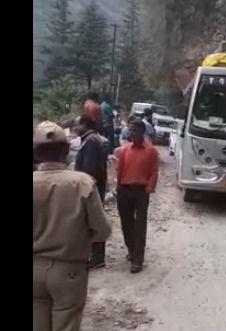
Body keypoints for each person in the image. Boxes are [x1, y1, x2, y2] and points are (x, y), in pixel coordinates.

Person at [33, 121, 111, 331]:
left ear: (36, 153)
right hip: (70, 272)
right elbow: (103, 231)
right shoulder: (82, 183)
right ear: (67, 150)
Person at [116, 119, 159, 273]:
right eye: (130, 130)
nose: (131, 133)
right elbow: (119, 170)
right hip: (125, 190)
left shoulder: (151, 151)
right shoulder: (125, 150)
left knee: (140, 226)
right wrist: (118, 188)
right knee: (126, 224)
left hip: (141, 192)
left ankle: (137, 260)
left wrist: (149, 189)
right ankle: (132, 250)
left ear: (142, 131)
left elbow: (154, 171)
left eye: (134, 130)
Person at [74, 115, 109, 269]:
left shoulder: (91, 142)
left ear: (85, 125)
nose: (75, 128)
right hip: (93, 188)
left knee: (93, 220)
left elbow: (89, 170)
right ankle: (94, 255)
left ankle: (97, 257)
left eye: (77, 124)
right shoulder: (92, 140)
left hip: (90, 189)